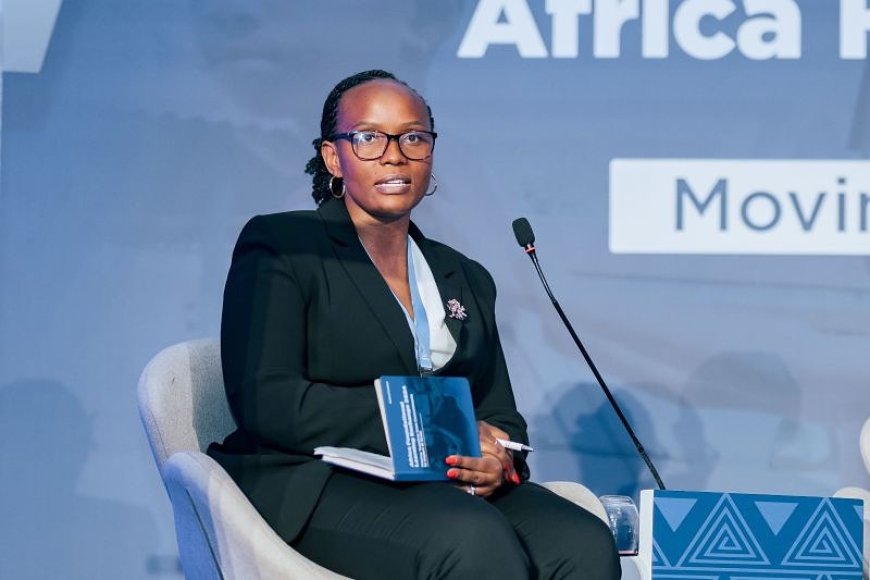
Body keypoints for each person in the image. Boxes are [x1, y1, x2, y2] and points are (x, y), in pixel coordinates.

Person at [208, 69, 620, 579]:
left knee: (582, 541)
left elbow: (499, 413)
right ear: (333, 157)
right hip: (314, 481)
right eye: (368, 138)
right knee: (470, 540)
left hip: (438, 486)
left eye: (413, 138)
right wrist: (431, 429)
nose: (394, 154)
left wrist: (499, 459)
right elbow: (268, 400)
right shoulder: (284, 246)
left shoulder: (464, 275)